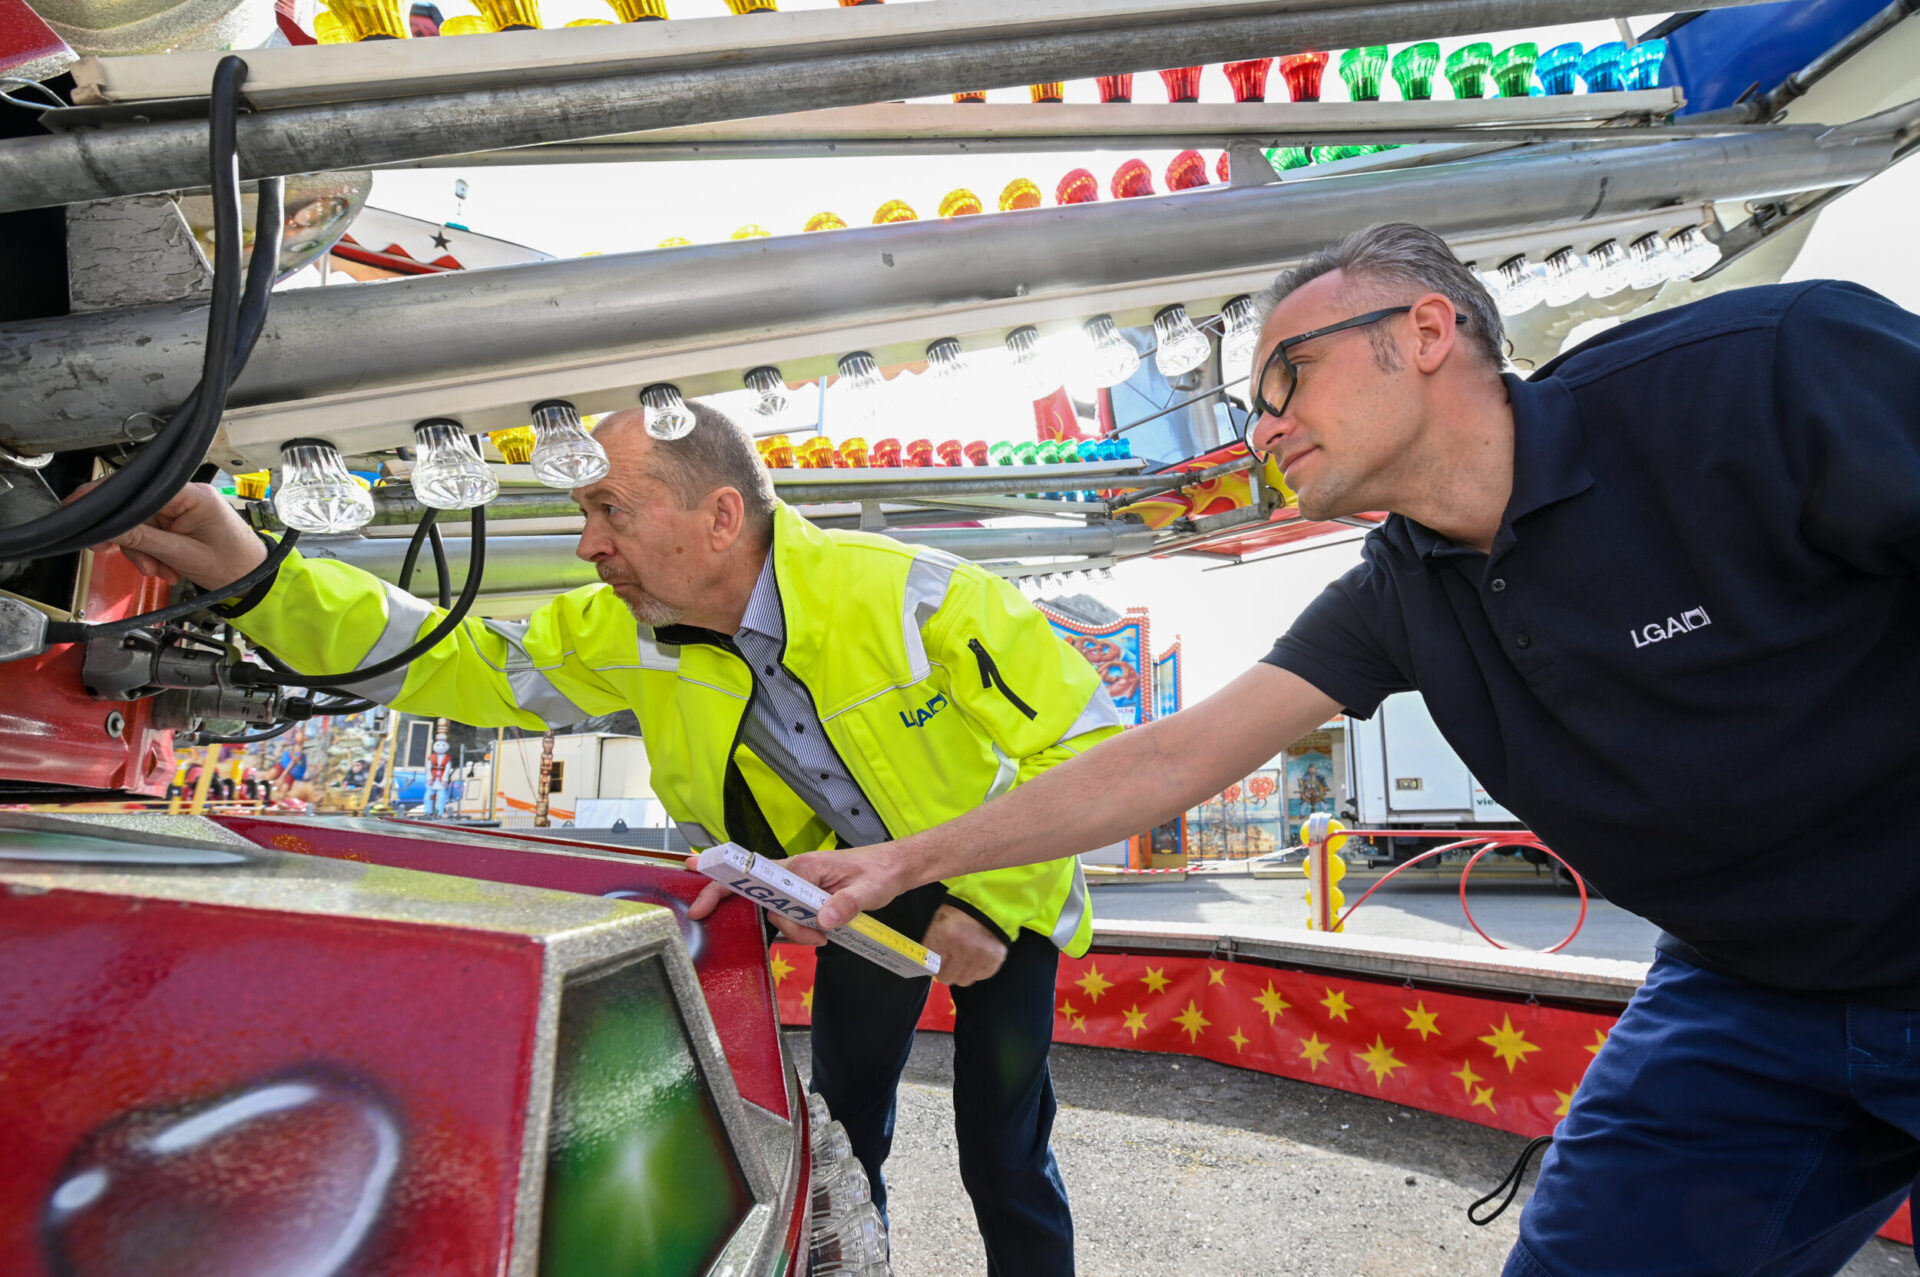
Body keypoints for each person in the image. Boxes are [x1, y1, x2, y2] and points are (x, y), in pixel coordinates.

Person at [774, 223, 1920, 1277]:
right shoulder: (1396, 595)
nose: (1262, 428)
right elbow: (1168, 760)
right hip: (1744, 985)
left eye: (1287, 377)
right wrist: (902, 861)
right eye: (1253, 406)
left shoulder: (1757, 373)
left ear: (1425, 330)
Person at [101, 402, 1118, 1277]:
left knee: (1004, 1148)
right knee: (844, 1131)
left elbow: (1090, 754)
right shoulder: (625, 628)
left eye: (609, 509)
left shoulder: (919, 595)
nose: (587, 544)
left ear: (722, 516)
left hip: (997, 887)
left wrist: (988, 902)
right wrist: (253, 573)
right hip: (854, 902)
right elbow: (456, 659)